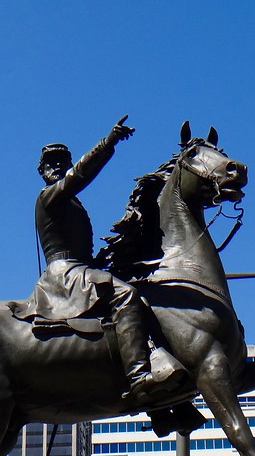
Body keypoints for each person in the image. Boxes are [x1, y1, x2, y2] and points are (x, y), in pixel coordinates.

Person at [9, 116, 182, 402]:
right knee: (126, 296)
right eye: (50, 164)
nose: (57, 167)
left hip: (82, 268)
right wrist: (108, 142)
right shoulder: (49, 196)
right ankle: (139, 376)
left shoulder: (72, 203)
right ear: (41, 171)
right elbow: (81, 175)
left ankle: (164, 401)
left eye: (62, 162)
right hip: (65, 273)